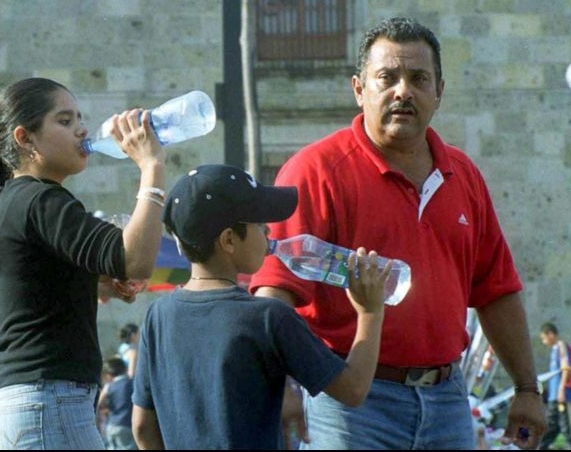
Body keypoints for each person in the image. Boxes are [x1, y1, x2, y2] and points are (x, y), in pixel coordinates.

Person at [249, 17, 547, 450]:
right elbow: (274, 295)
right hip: (346, 404)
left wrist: (526, 389)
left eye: (418, 79)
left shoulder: (462, 175)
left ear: (439, 93)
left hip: (447, 401)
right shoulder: (315, 171)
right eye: (387, 77)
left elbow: (496, 289)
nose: (403, 91)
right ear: (358, 89)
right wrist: (279, 387)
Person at [0, 77, 165, 450]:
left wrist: (92, 283)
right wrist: (151, 168)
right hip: (48, 410)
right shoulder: (43, 200)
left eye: (79, 118)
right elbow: (135, 260)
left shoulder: (2, 209)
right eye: (65, 120)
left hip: (7, 415)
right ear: (26, 138)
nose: (82, 129)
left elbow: (2, 335)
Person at [131, 164, 391, 449]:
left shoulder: (158, 315)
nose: (268, 233)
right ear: (229, 239)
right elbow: (352, 389)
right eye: (258, 224)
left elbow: (143, 427)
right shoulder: (268, 317)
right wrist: (370, 312)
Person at [539, 322, 571, 450]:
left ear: (550, 334)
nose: (543, 342)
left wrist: (561, 390)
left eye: (543, 338)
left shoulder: (561, 346)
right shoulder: (554, 350)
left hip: (566, 397)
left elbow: (566, 368)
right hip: (555, 399)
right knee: (548, 430)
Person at [98, 357, 137, 450]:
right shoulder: (132, 383)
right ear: (125, 369)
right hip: (127, 425)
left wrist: (106, 408)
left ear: (108, 375)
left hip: (111, 425)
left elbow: (99, 403)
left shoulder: (109, 386)